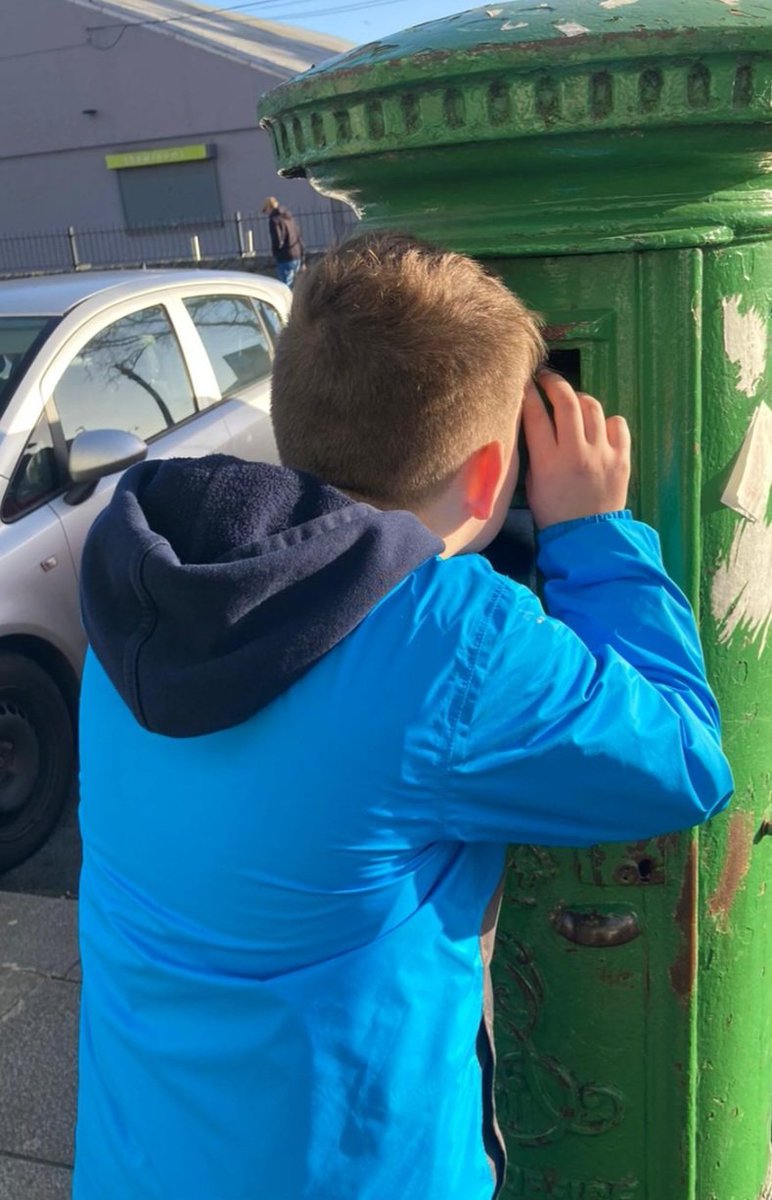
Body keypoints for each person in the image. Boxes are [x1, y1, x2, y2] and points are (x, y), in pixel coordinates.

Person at [73, 233, 733, 1200]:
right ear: (485, 478)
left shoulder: (138, 594)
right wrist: (593, 534)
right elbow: (684, 758)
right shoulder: (448, 645)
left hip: (138, 1163)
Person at [262, 195, 304, 288]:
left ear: (269, 208)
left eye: (266, 210)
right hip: (296, 253)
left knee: (285, 285)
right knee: (297, 285)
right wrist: (302, 255)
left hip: (285, 256)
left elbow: (277, 238)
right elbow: (298, 235)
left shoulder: (274, 220)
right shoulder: (288, 217)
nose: (267, 213)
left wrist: (275, 252)